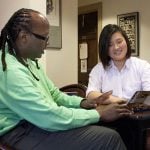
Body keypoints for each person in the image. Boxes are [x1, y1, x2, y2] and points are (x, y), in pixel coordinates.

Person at [0, 9, 131, 150]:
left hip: (36, 123)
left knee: (104, 129)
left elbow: (54, 95)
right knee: (109, 138)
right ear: (24, 37)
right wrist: (98, 113)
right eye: (44, 38)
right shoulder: (10, 70)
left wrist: (84, 103)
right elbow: (49, 116)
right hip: (20, 132)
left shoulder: (28, 61)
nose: (47, 43)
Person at [86, 24, 150, 103]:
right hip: (110, 114)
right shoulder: (99, 69)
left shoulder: (142, 66)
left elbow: (148, 94)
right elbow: (90, 95)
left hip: (138, 114)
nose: (116, 47)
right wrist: (119, 101)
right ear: (105, 48)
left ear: (126, 41)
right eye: (110, 45)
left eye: (119, 42)